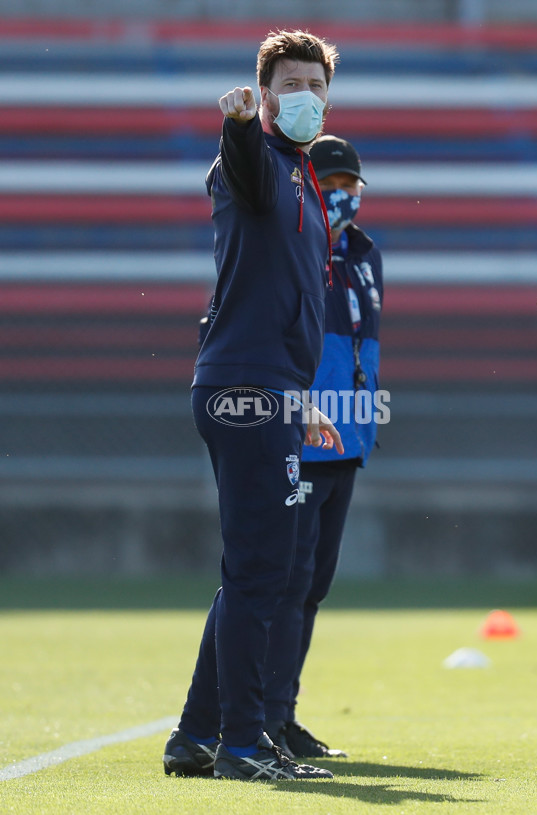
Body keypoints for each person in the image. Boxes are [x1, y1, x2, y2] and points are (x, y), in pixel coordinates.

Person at [162, 30, 344, 782]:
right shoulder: (257, 161)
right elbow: (246, 175)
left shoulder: (302, 173)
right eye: (289, 84)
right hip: (246, 385)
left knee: (253, 569)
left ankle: (198, 735)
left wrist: (298, 396)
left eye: (315, 85)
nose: (304, 96)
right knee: (263, 571)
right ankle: (242, 742)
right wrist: (238, 128)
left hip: (267, 387)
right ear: (263, 90)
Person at [262, 135, 384, 758]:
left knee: (313, 585)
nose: (340, 196)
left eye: (348, 186)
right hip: (301, 436)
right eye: (327, 185)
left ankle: (283, 715)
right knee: (288, 578)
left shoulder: (366, 256)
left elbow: (363, 348)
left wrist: (363, 424)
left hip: (347, 438)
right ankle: (261, 717)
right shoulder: (296, 247)